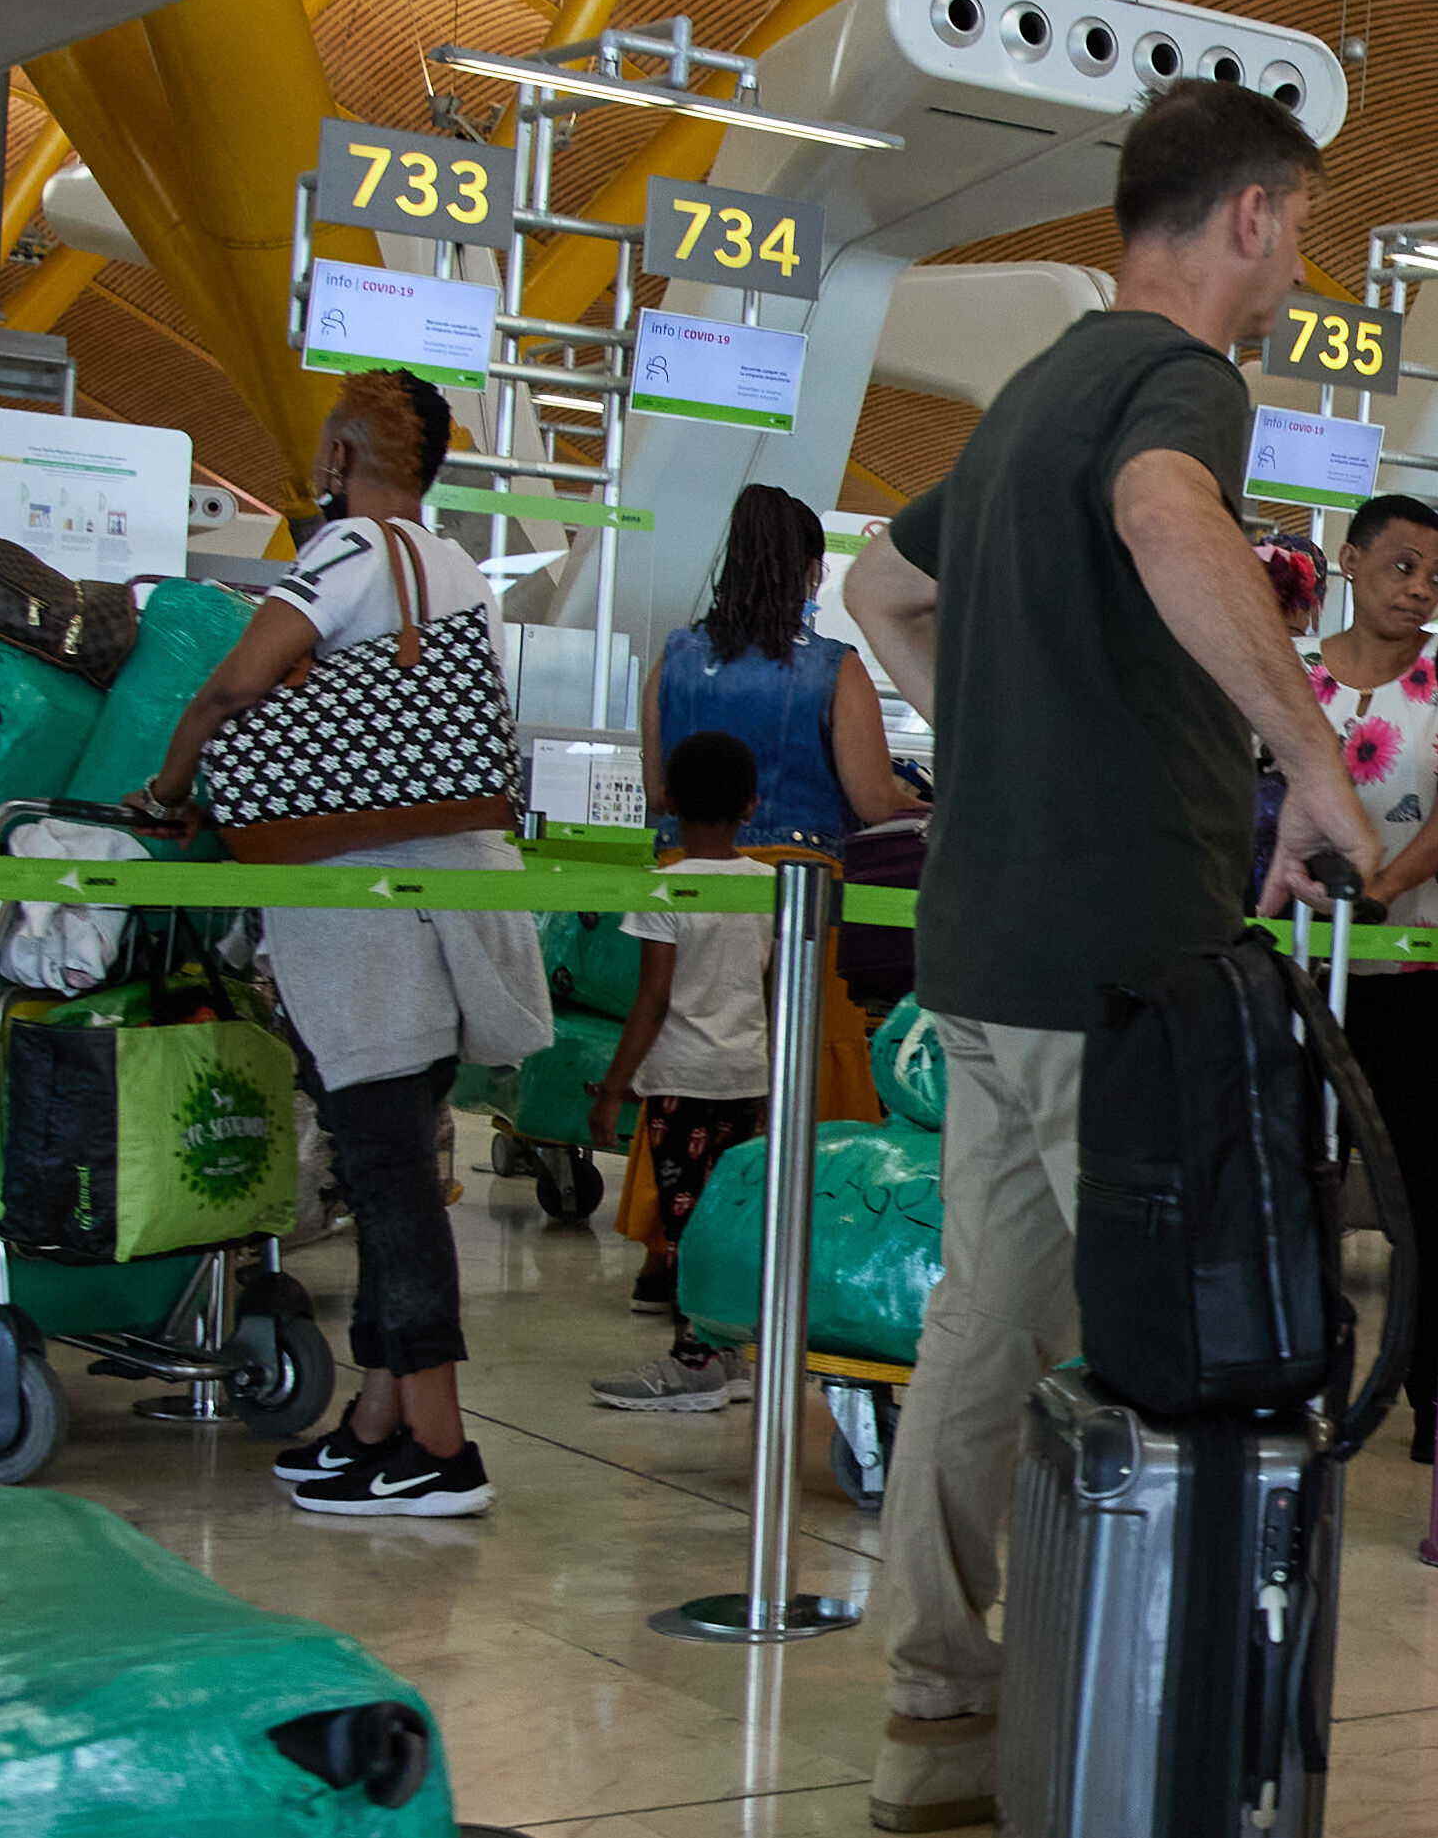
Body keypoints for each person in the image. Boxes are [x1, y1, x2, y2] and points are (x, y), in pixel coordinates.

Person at [838, 81, 1371, 1836]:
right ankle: (1132, 1719)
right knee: (1166, 1333)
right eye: (1297, 222)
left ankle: (937, 1709)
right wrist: (1306, 754)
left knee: (983, 1322)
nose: (1296, 257)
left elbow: (875, 589)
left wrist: (1002, 742)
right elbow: (1164, 512)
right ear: (1254, 216)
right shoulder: (1177, 381)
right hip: (1110, 958)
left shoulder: (1028, 395)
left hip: (985, 939)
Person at [142, 366, 548, 1521]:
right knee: (397, 1158)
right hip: (454, 889)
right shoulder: (458, 565)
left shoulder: (344, 553)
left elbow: (236, 685)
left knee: (385, 1172)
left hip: (364, 909)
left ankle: (442, 1444)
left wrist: (172, 779)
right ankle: (378, 1418)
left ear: (338, 459)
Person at [1308, 490, 1438, 1461]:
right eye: (1400, 566)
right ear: (1350, 559)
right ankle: (1308, 1380)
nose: (1418, 589)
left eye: (1432, 574)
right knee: (1303, 1180)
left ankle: (1433, 1398)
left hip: (1423, 962)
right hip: (1304, 970)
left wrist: (1382, 890)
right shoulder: (1297, 677)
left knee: (1423, 1182)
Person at [585, 730, 775, 1415]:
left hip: (682, 1084)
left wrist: (613, 1088)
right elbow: (773, 989)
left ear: (666, 800)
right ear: (752, 805)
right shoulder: (770, 887)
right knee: (731, 1217)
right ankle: (734, 1352)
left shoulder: (666, 887)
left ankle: (694, 1362)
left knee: (685, 1223)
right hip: (747, 1078)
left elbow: (653, 1000)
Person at [645, 479, 909, 850]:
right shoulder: (835, 668)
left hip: (683, 877)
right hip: (794, 885)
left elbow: (658, 795)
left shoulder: (673, 660)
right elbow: (876, 802)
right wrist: (935, 809)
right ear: (812, 571)